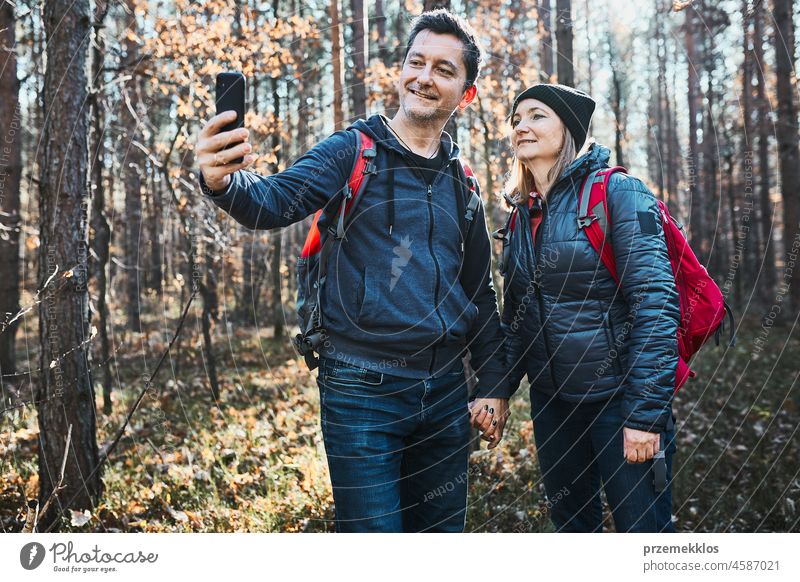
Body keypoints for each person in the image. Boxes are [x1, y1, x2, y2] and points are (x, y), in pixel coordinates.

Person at [195, 9, 513, 532]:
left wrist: (494, 384)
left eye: (444, 69)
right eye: (416, 62)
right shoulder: (354, 150)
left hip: (448, 395)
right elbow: (273, 201)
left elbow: (480, 295)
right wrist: (222, 182)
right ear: (400, 71)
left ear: (467, 93)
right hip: (362, 391)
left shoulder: (464, 184)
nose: (424, 77)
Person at [500, 83, 680, 532]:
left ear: (570, 130)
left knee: (644, 535)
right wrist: (496, 388)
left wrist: (644, 415)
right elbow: (516, 317)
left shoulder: (618, 193)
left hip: (619, 402)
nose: (522, 125)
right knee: (572, 530)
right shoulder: (522, 213)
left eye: (537, 115)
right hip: (553, 406)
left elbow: (656, 305)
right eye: (516, 118)